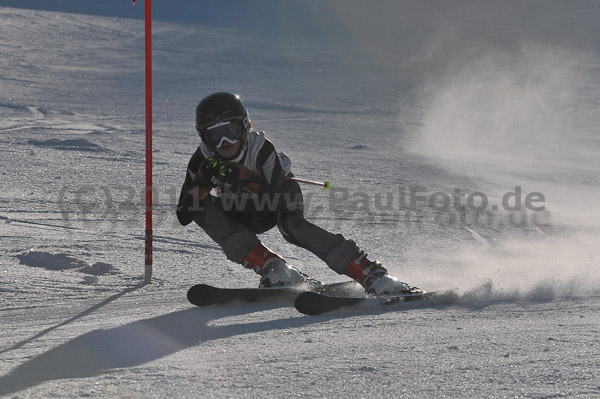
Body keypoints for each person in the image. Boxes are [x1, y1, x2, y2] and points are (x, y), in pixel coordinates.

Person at [176, 92, 418, 295]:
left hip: (276, 201)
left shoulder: (261, 148)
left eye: (230, 130)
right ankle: (275, 268)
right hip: (239, 210)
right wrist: (202, 183)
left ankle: (370, 273)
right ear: (204, 138)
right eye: (215, 135)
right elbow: (184, 215)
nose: (225, 142)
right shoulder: (202, 159)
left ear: (245, 126)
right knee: (202, 208)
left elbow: (271, 194)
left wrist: (241, 176)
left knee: (293, 226)